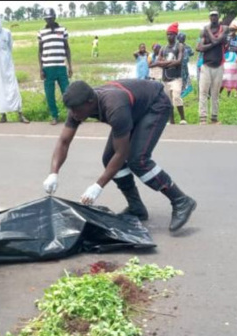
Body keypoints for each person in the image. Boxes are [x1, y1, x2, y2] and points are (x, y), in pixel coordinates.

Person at [42, 80, 197, 232]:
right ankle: (136, 208)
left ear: (90, 102)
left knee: (138, 160)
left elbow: (121, 153)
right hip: (133, 109)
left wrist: (98, 186)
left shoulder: (114, 106)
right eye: (71, 110)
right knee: (109, 159)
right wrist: (53, 173)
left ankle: (181, 200)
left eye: (76, 110)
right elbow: (63, 142)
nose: (74, 115)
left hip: (154, 105)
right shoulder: (78, 106)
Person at [0, 15, 30, 124]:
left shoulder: (7, 32)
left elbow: (10, 47)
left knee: (12, 88)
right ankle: (3, 115)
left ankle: (20, 114)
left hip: (7, 67)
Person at [38, 8, 73, 126]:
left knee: (67, 92)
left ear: (54, 17)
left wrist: (70, 66)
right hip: (48, 68)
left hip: (61, 66)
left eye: (51, 18)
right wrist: (41, 69)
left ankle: (72, 115)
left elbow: (67, 48)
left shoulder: (62, 30)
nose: (49, 20)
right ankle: (54, 116)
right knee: (49, 94)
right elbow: (40, 51)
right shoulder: (41, 33)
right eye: (47, 18)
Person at [196, 10, 227, 125]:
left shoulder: (224, 28)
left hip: (218, 65)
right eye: (212, 16)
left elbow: (216, 40)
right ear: (209, 17)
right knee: (203, 92)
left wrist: (208, 32)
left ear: (218, 17)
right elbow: (199, 47)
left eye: (215, 16)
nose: (214, 18)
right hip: (206, 65)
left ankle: (214, 118)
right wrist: (214, 43)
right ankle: (203, 118)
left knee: (215, 93)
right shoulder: (203, 30)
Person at [154, 23, 186, 125]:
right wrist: (169, 63)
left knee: (176, 97)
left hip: (176, 77)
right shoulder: (163, 48)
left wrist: (165, 63)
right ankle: (171, 120)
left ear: (176, 35)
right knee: (168, 101)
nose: (169, 36)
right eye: (168, 34)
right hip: (165, 78)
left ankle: (182, 118)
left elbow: (179, 61)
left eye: (171, 34)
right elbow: (158, 62)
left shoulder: (179, 46)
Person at [222, 24, 237, 96]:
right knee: (227, 74)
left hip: (235, 57)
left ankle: (236, 91)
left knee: (234, 74)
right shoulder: (227, 37)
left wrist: (230, 48)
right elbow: (225, 47)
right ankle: (227, 91)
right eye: (231, 30)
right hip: (228, 57)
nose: (232, 31)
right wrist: (229, 43)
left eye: (233, 30)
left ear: (236, 30)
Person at [178, 33, 194, 98]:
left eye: (184, 38)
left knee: (185, 77)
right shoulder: (176, 46)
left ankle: (183, 91)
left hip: (185, 65)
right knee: (179, 78)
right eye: (181, 38)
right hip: (178, 66)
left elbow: (191, 53)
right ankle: (180, 91)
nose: (183, 39)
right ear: (178, 38)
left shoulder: (187, 46)